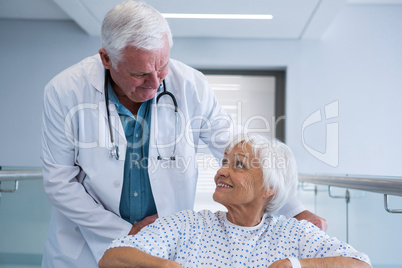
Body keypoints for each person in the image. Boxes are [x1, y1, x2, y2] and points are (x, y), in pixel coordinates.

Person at [40, 1, 326, 267]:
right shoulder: (65, 91)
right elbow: (59, 181)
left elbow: (240, 149)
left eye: (162, 66)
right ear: (106, 59)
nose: (154, 83)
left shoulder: (190, 84)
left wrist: (294, 209)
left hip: (164, 244)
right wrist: (125, 231)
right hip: (87, 245)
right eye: (140, 74)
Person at [99, 134, 371, 268]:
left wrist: (293, 264)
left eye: (239, 165)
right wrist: (168, 266)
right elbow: (111, 258)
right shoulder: (187, 225)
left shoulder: (293, 233)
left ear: (268, 187)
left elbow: (361, 264)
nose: (221, 171)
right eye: (224, 162)